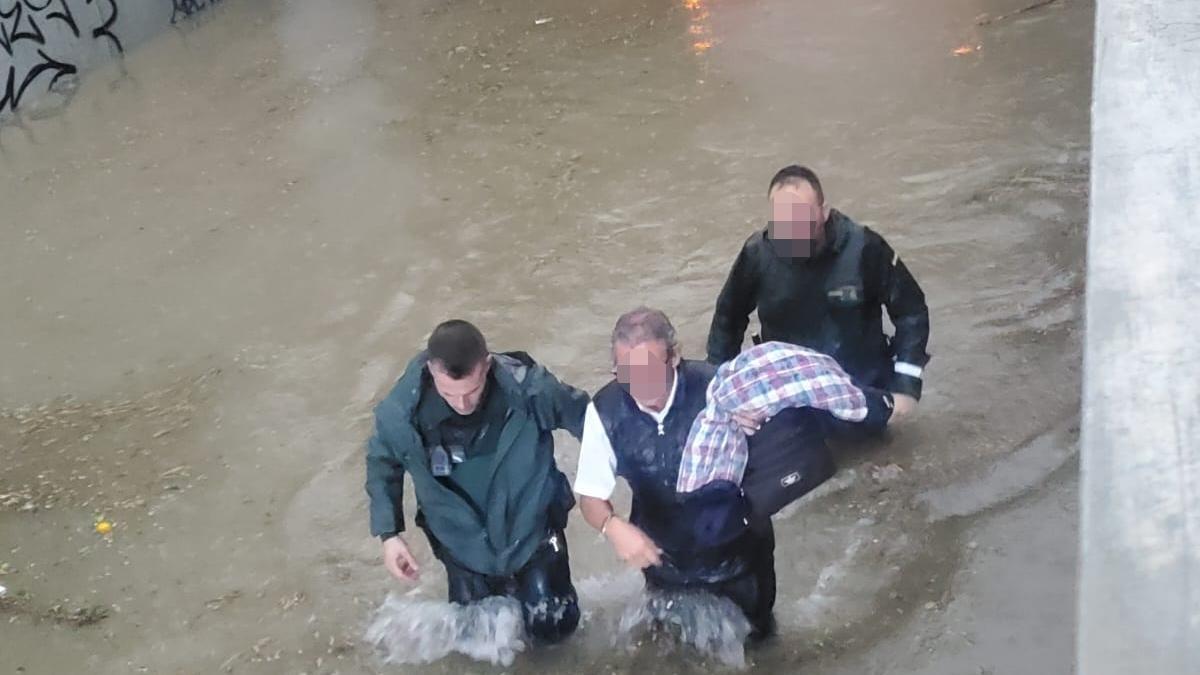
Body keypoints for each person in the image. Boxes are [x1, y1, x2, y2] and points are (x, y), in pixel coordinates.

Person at [574, 308, 890, 641]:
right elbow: (591, 496)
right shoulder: (606, 411)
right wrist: (613, 527)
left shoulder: (724, 391)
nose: (642, 384)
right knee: (674, 649)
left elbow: (800, 397)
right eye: (628, 374)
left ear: (675, 356)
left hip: (739, 555)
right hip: (662, 558)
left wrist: (764, 426)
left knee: (758, 646)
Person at [365, 320, 589, 644]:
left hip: (532, 531)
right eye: (449, 394)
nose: (462, 404)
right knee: (479, 642)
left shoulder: (532, 391)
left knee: (555, 627)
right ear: (431, 371)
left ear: (487, 365)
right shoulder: (401, 414)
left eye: (472, 391)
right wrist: (389, 535)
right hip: (462, 546)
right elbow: (382, 463)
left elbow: (591, 422)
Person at [705, 165, 931, 421]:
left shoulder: (864, 248)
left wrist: (906, 386)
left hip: (864, 391)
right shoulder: (757, 254)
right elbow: (728, 319)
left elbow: (911, 312)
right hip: (790, 398)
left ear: (824, 212)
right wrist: (720, 390)